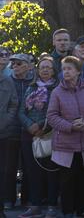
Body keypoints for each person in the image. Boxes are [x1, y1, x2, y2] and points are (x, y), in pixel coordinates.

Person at [46, 55, 84, 218]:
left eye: (69, 68)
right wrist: (70, 126)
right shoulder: (57, 92)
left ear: (78, 71)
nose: (66, 72)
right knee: (66, 181)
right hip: (65, 145)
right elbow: (51, 116)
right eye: (64, 69)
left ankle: (83, 210)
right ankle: (68, 211)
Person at [18, 56, 60, 218]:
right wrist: (30, 126)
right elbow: (21, 111)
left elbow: (56, 111)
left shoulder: (57, 89)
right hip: (29, 134)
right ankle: (35, 205)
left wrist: (42, 126)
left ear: (53, 70)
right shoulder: (31, 87)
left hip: (49, 133)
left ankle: (51, 206)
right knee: (32, 171)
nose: (45, 70)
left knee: (51, 170)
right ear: (37, 70)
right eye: (42, 67)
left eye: (48, 67)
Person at [7, 53, 34, 210]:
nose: (15, 66)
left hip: (29, 129)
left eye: (19, 63)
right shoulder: (6, 81)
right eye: (14, 64)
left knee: (29, 166)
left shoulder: (34, 81)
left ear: (28, 65)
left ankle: (27, 199)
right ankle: (8, 199)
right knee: (8, 166)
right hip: (9, 129)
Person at [0, 52, 19, 218]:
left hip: (3, 132)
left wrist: (5, 120)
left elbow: (14, 104)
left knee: (2, 171)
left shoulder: (6, 80)